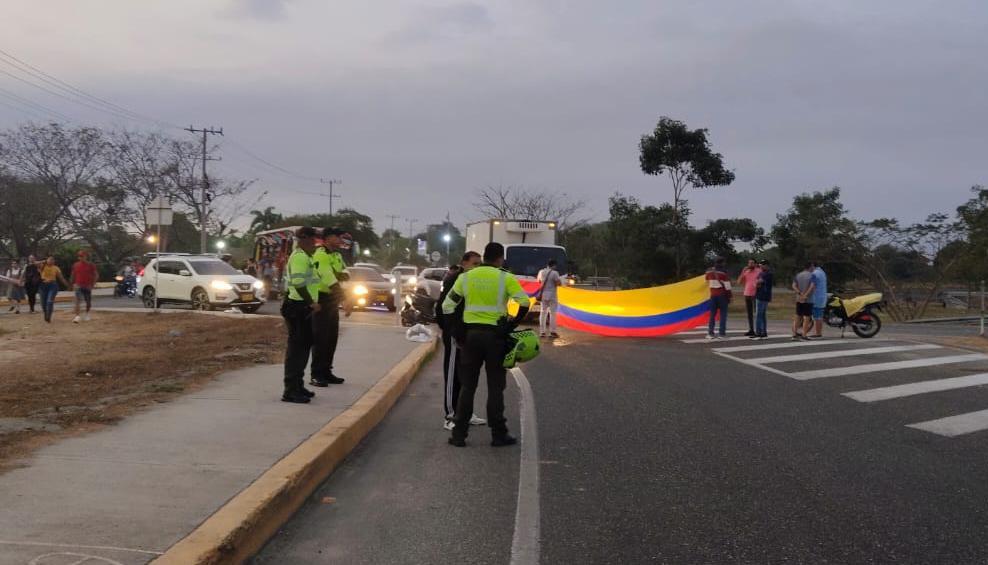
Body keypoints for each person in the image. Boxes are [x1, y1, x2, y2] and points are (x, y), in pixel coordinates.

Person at [442, 242, 530, 447]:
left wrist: (458, 330)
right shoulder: (505, 277)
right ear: (500, 258)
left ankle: (459, 435)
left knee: (467, 386)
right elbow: (524, 303)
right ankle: (498, 434)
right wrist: (510, 325)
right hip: (495, 338)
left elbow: (448, 306)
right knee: (495, 387)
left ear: (484, 257)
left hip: (471, 337)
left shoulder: (466, 277)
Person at [436, 251, 484, 431]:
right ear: (464, 262)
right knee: (452, 374)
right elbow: (443, 307)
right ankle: (449, 415)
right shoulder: (454, 279)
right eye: (474, 263)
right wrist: (450, 331)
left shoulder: (471, 280)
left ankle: (465, 412)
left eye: (479, 263)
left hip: (467, 333)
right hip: (454, 333)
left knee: (465, 375)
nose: (477, 267)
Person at [280, 226, 322, 404]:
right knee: (297, 350)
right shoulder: (299, 257)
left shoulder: (306, 257)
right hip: (297, 307)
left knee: (304, 348)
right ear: (304, 239)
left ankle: (298, 385)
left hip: (302, 308)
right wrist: (311, 302)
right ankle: (290, 390)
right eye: (313, 240)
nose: (315, 243)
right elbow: (298, 283)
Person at [309, 227, 348, 388]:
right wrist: (344, 298)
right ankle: (316, 375)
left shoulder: (337, 255)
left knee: (331, 338)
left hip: (333, 298)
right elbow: (328, 277)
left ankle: (326, 371)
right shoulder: (321, 255)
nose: (340, 240)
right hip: (321, 299)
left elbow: (346, 273)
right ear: (327, 238)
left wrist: (339, 276)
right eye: (337, 237)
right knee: (320, 338)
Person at [705, 257, 732, 340]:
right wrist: (730, 296)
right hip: (722, 296)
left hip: (712, 295)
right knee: (723, 315)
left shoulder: (709, 271)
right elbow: (727, 286)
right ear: (722, 263)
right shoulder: (724, 272)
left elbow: (706, 280)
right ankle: (721, 334)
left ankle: (710, 333)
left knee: (712, 315)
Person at [537, 259, 563, 339]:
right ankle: (552, 332)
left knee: (543, 313)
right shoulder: (555, 273)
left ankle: (542, 332)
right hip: (552, 296)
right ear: (554, 265)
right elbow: (558, 283)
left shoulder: (541, 272)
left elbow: (539, 282)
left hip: (543, 295)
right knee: (552, 314)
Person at [38, 256, 69, 323]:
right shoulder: (42, 266)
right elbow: (33, 263)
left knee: (49, 301)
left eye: (53, 260)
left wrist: (67, 285)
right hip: (42, 285)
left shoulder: (56, 268)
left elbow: (61, 278)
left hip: (52, 285)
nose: (52, 261)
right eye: (50, 259)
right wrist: (43, 261)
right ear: (47, 260)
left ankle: (48, 316)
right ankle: (46, 314)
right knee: (43, 303)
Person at [71, 251, 99, 323]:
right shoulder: (75, 265)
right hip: (78, 285)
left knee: (88, 301)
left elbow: (96, 275)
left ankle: (87, 313)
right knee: (77, 301)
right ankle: (77, 316)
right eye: (79, 256)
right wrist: (73, 283)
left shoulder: (91, 265)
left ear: (86, 256)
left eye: (82, 256)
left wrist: (92, 284)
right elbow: (73, 275)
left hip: (87, 285)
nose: (81, 258)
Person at [737, 258, 763, 337]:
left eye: (752, 263)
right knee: (749, 313)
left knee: (757, 313)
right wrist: (742, 272)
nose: (750, 265)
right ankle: (751, 329)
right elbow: (739, 282)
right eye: (749, 263)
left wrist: (759, 284)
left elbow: (762, 280)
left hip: (755, 294)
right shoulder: (746, 271)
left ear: (755, 264)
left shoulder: (759, 271)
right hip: (747, 293)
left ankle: (759, 330)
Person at [792, 262, 817, 341]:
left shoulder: (798, 275)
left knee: (798, 316)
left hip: (799, 299)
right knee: (807, 317)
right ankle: (804, 334)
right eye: (813, 266)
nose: (813, 268)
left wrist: (800, 293)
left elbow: (793, 285)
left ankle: (794, 334)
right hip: (808, 299)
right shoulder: (812, 276)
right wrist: (805, 295)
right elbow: (812, 286)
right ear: (810, 267)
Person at [753, 259, 774, 339]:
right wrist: (757, 282)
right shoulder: (761, 273)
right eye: (760, 264)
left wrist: (757, 282)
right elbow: (756, 283)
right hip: (759, 294)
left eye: (763, 264)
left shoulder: (768, 274)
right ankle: (763, 331)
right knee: (762, 314)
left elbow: (758, 282)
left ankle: (759, 332)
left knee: (759, 314)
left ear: (767, 265)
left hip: (763, 295)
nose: (761, 266)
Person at [810, 261, 828, 338]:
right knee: (819, 316)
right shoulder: (822, 272)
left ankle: (817, 333)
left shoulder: (815, 273)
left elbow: (812, 286)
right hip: (822, 297)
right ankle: (819, 332)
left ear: (812, 266)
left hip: (816, 297)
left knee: (816, 317)